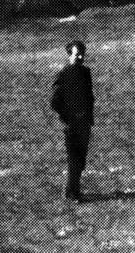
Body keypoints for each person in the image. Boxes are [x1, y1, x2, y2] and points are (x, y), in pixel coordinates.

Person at [51, 40, 94, 203]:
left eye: (82, 54)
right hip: (72, 124)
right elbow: (54, 101)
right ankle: (71, 193)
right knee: (74, 159)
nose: (81, 57)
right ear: (70, 55)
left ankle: (74, 190)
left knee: (81, 159)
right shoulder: (63, 74)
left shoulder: (85, 72)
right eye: (77, 54)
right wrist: (68, 116)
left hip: (85, 122)